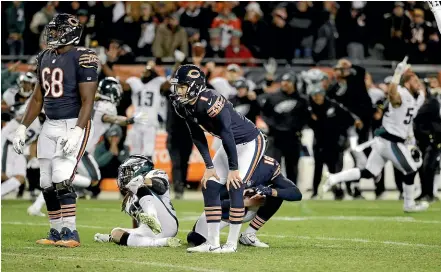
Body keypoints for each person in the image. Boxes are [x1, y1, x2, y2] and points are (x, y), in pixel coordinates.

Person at [12, 14, 98, 247]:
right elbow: (38, 97)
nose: (54, 35)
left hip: (73, 122)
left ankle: (71, 232)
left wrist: (78, 131)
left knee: (61, 176)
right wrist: (22, 127)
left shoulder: (83, 57)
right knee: (46, 181)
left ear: (71, 33)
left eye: (58, 31)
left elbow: (88, 100)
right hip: (49, 123)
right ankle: (56, 232)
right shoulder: (45, 56)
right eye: (53, 30)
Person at [169, 64, 266, 253]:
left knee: (235, 184)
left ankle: (231, 244)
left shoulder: (210, 100)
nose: (178, 91)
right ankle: (212, 242)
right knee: (210, 184)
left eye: (181, 86)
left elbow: (227, 133)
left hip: (250, 142)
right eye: (177, 86)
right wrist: (209, 165)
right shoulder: (182, 105)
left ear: (195, 86)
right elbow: (196, 135)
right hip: (229, 143)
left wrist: (233, 169)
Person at [320, 57, 428, 213]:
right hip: (390, 142)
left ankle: (333, 178)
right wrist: (398, 73)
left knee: (369, 172)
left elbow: (410, 115)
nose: (418, 84)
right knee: (410, 170)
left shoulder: (413, 97)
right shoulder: (401, 94)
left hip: (387, 141)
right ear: (407, 83)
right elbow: (392, 94)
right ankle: (409, 204)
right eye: (415, 81)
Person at [187, 155, 302, 248]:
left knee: (275, 194)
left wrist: (269, 191)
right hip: (222, 214)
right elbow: (212, 203)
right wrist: (243, 203)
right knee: (196, 239)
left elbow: (296, 193)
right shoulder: (226, 163)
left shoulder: (268, 166)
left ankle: (249, 234)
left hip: (248, 211)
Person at [93, 155, 180, 248]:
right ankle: (163, 242)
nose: (125, 176)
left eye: (128, 171)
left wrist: (143, 180)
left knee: (137, 184)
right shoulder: (128, 198)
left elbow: (161, 186)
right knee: (116, 232)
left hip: (166, 223)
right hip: (150, 230)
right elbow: (137, 221)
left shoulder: (152, 174)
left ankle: (152, 216)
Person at [258, 72, 309, 185]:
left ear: (295, 83)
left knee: (292, 167)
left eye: (288, 81)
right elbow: (264, 114)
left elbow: (305, 117)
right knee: (273, 166)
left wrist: (297, 127)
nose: (285, 84)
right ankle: (271, 192)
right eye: (284, 81)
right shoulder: (273, 98)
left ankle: (291, 191)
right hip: (276, 137)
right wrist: (272, 126)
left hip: (293, 137)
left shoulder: (302, 100)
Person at [125, 61, 165, 159]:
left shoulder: (157, 83)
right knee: (135, 152)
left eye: (147, 72)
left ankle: (147, 172)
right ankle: (133, 173)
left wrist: (152, 69)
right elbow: (123, 85)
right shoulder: (135, 82)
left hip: (150, 122)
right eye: (144, 71)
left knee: (148, 152)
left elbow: (168, 83)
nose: (144, 73)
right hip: (137, 121)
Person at [2, 102, 41, 198]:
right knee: (5, 175)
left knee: (20, 177)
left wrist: (32, 158)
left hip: (19, 151)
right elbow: (19, 116)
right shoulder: (32, 111)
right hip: (8, 144)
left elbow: (34, 142)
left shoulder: (44, 124)